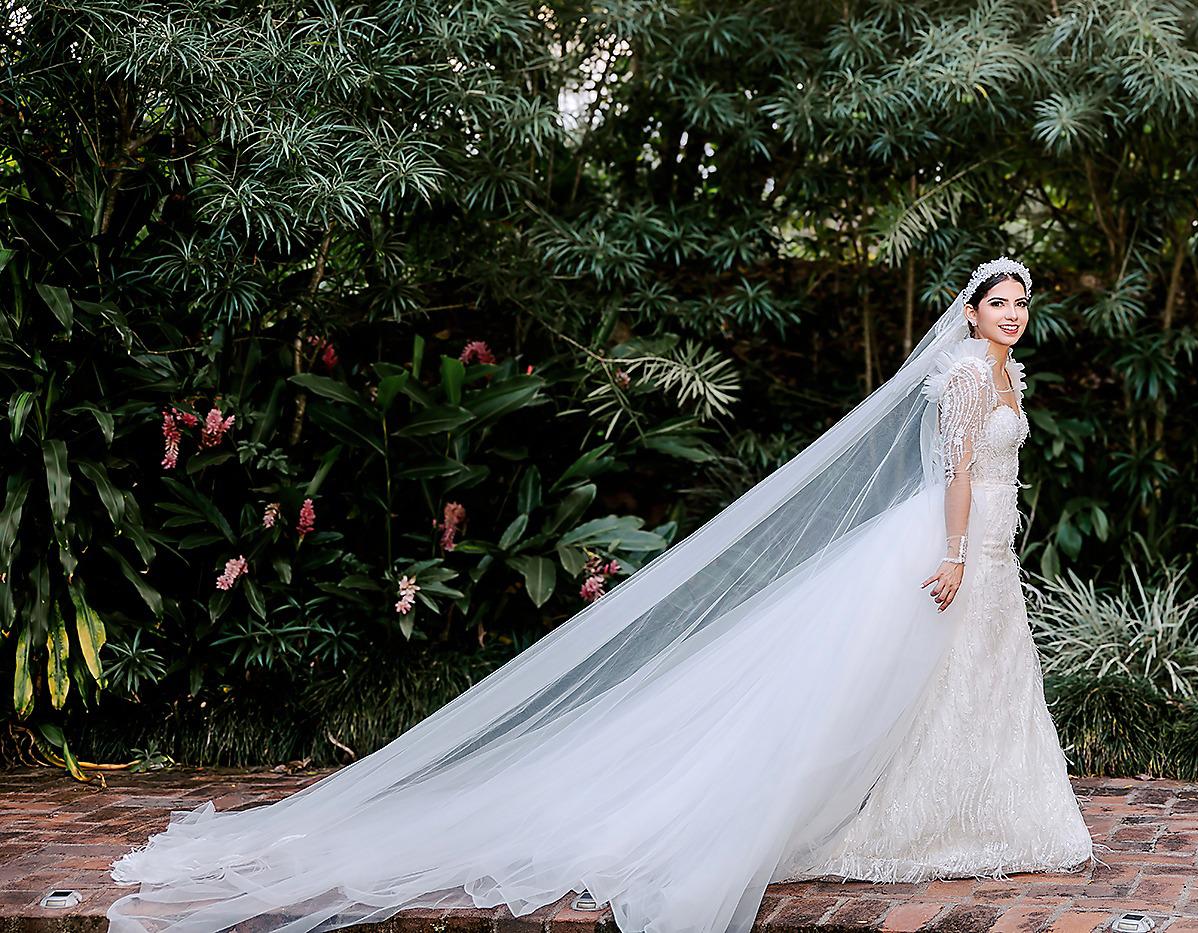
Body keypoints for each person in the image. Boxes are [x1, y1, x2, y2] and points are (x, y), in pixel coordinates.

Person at [106, 256, 1102, 933]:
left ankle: (984, 814)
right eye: (997, 303)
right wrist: (957, 554)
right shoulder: (968, 376)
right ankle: (909, 816)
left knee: (971, 681)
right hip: (951, 545)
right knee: (908, 677)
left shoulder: (1004, 373)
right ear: (968, 314)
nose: (1011, 315)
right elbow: (958, 471)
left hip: (985, 548)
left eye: (1020, 303)